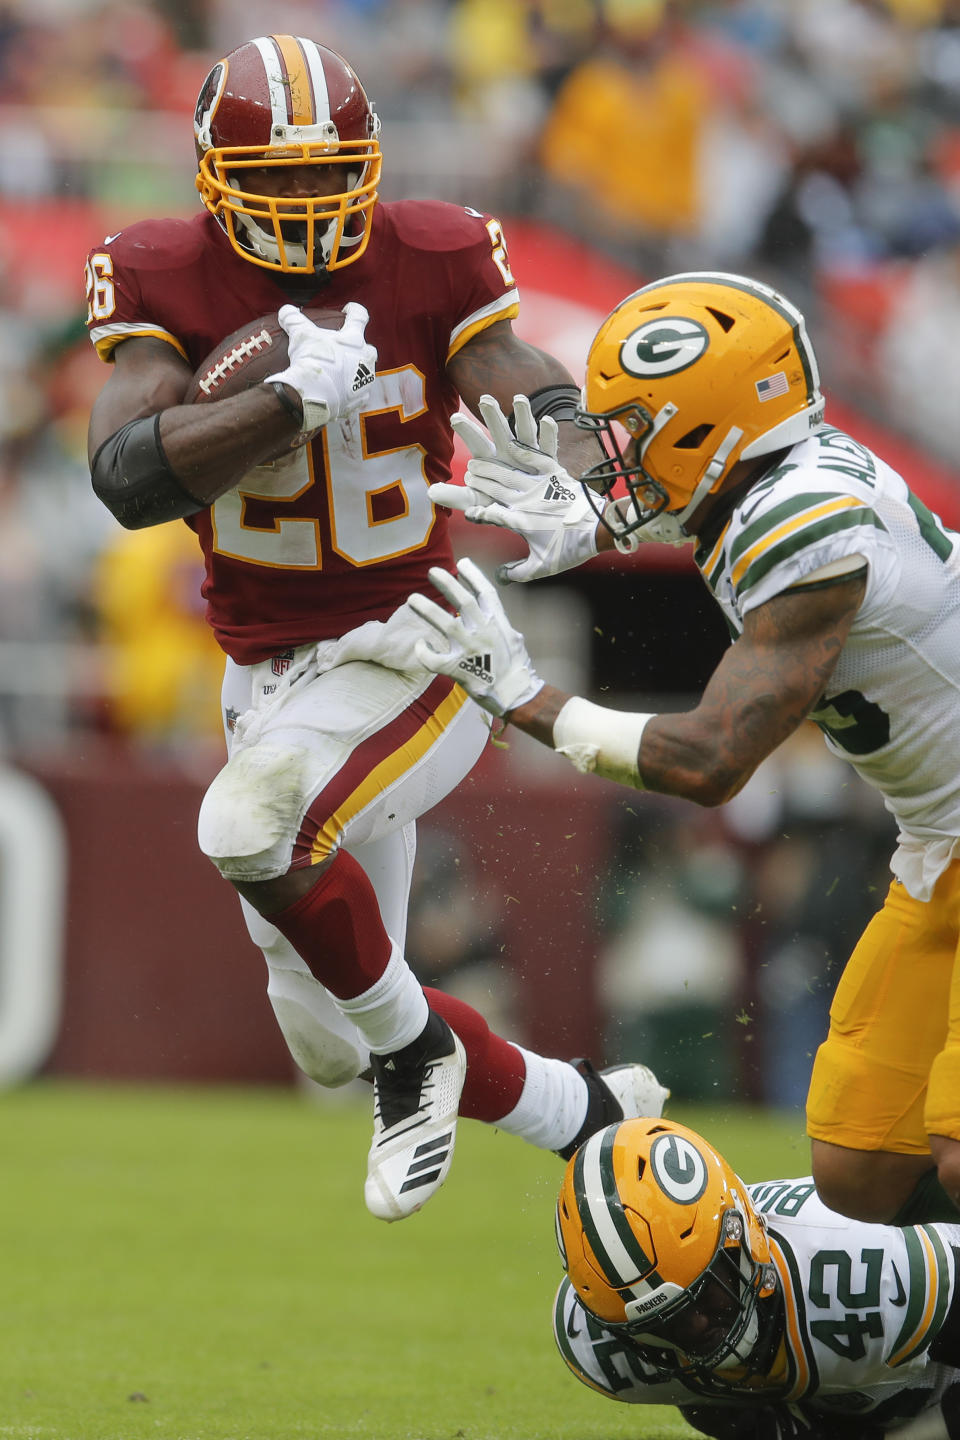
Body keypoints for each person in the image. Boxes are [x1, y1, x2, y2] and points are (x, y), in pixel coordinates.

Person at [83, 32, 651, 1223]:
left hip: (422, 641)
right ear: (211, 178)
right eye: (277, 178)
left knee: (246, 828)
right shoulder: (159, 274)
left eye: (327, 171)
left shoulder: (434, 252)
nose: (305, 199)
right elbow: (128, 478)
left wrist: (571, 461)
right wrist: (285, 404)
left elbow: (517, 366)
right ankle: (589, 1114)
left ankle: (418, 1060)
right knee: (331, 1034)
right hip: (269, 674)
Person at [405, 269, 960, 1229]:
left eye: (635, 431)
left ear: (707, 431)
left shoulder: (803, 522)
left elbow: (707, 761)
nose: (613, 457)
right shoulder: (774, 478)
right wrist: (603, 521)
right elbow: (691, 504)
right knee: (861, 1165)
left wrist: (527, 698)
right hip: (939, 846)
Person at [553, 1115, 960, 1440]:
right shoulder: (602, 1344)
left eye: (705, 1296)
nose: (697, 1327)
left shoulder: (869, 1266)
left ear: (741, 1236)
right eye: (664, 1327)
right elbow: (711, 1404)